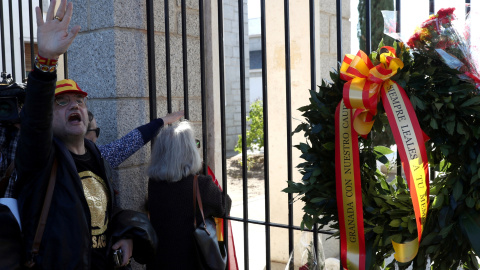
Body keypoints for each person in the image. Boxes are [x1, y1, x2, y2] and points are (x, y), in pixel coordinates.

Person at [15, 1, 157, 269]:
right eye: (62, 101)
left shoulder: (96, 155)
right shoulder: (41, 159)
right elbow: (34, 124)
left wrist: (125, 235)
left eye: (80, 101)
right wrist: (46, 61)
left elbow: (102, 213)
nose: (74, 105)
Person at [147, 121, 232, 270]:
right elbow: (224, 206)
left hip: (160, 260)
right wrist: (201, 168)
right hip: (191, 260)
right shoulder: (201, 184)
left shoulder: (153, 183)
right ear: (189, 151)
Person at [86, 109, 184, 168]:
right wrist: (164, 120)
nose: (97, 136)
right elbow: (130, 142)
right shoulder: (94, 156)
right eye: (96, 131)